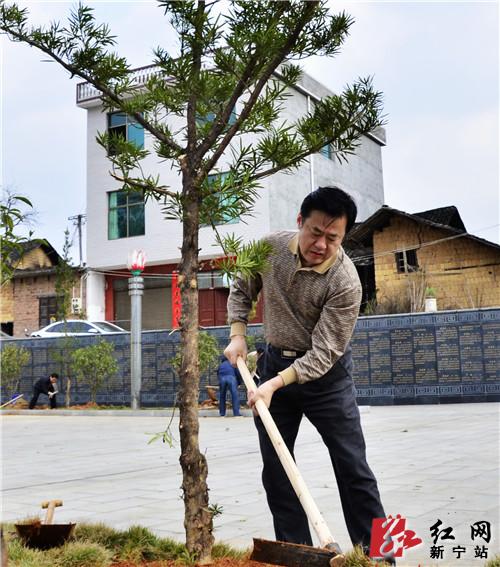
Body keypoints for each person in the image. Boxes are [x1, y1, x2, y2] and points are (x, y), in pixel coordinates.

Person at [224, 186, 392, 563]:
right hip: (273, 364)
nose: (321, 244)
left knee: (354, 467)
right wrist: (238, 334)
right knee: (278, 468)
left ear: (343, 236)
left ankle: (382, 555)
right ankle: (297, 553)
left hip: (326, 379)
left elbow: (325, 352)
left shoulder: (346, 281)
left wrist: (274, 384)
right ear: (300, 222)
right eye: (316, 232)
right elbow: (241, 286)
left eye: (333, 238)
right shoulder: (269, 248)